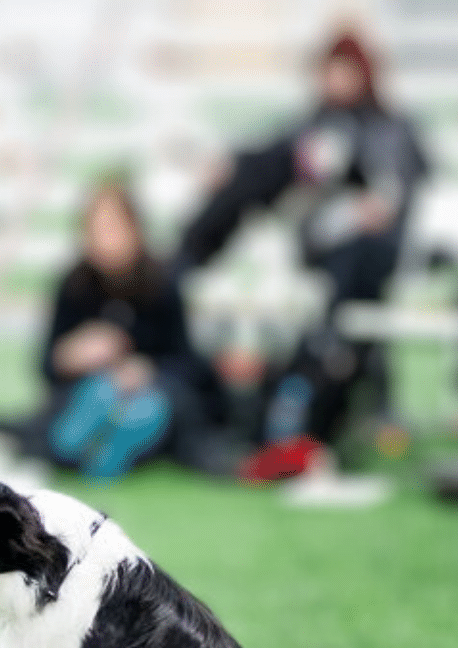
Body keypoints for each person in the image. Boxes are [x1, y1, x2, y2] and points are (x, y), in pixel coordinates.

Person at [175, 30, 428, 480]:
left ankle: (317, 396)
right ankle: (190, 256)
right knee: (255, 168)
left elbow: (395, 196)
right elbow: (274, 163)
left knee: (344, 239)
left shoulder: (390, 127)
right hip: (318, 244)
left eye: (343, 70)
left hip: (365, 254)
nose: (334, 80)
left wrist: (375, 206)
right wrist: (233, 163)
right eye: (328, 70)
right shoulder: (312, 127)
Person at [22, 181, 231, 480]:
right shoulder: (73, 284)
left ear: (135, 229)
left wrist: (146, 371)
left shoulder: (163, 283)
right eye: (95, 230)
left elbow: (188, 364)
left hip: (153, 395)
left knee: (154, 406)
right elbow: (46, 367)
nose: (104, 240)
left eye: (112, 229)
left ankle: (112, 447)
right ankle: (77, 445)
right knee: (96, 393)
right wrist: (70, 355)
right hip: (86, 392)